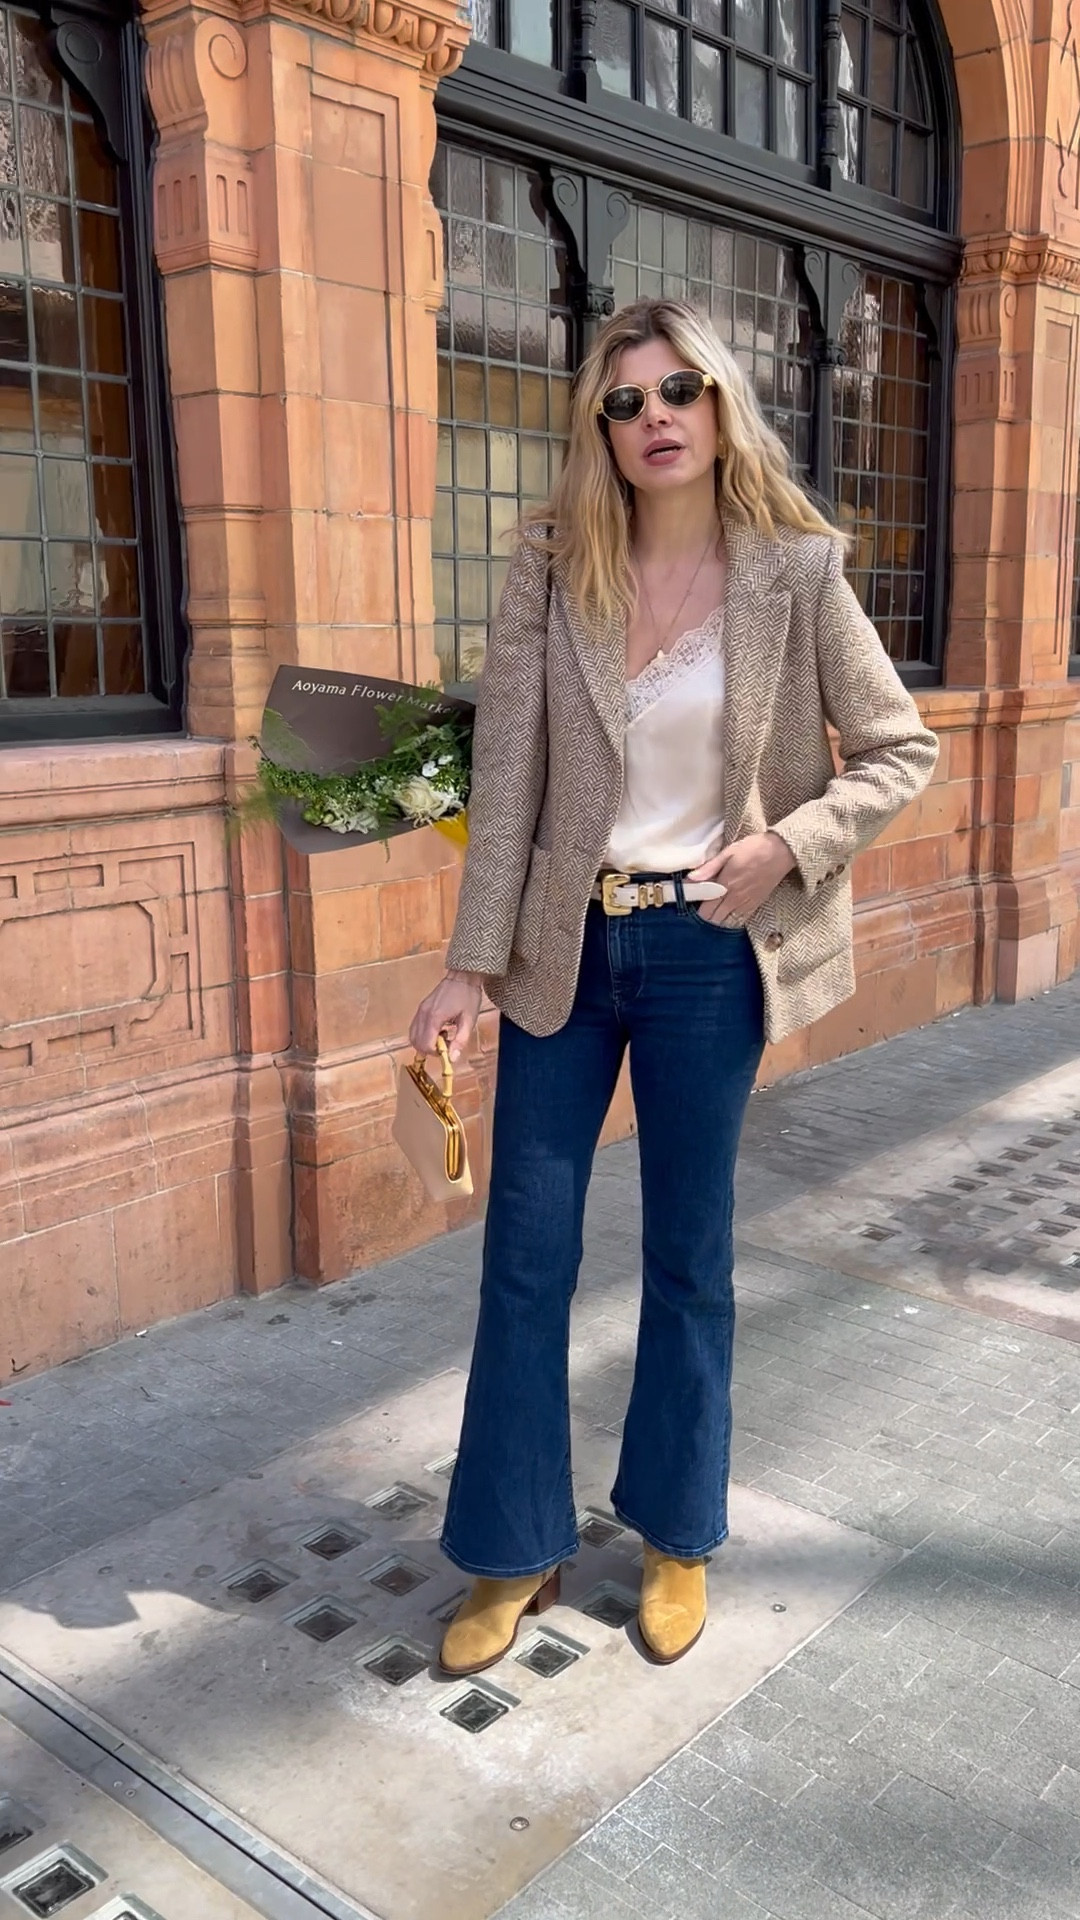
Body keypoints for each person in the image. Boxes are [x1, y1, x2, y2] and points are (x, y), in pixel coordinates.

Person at [409, 297, 938, 1673]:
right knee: (525, 1256)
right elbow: (509, 776)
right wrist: (466, 965)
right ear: (601, 427)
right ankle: (516, 1543)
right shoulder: (551, 566)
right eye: (625, 400)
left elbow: (898, 749)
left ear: (721, 408)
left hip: (709, 953)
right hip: (561, 955)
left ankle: (677, 1531)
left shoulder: (798, 571)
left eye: (679, 391)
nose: (654, 418)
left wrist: (786, 848)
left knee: (690, 1257)